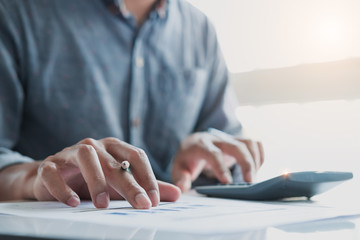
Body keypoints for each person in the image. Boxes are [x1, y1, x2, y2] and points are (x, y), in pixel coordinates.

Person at [0, 0, 264, 209]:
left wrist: (210, 162)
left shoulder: (200, 30)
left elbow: (229, 150)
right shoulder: (17, 13)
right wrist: (35, 178)